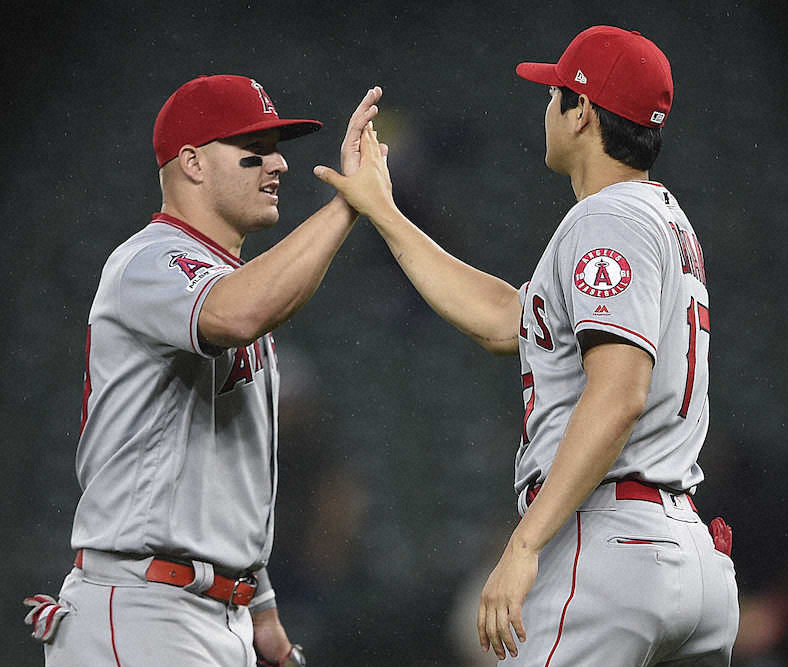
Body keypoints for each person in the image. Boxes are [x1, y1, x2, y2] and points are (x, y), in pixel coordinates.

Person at [314, 26, 739, 666]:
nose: (545, 108)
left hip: (609, 544)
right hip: (687, 553)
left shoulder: (607, 217)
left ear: (583, 113)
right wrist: (386, 213)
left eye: (555, 95)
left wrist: (525, 545)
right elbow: (505, 321)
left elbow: (619, 394)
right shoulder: (663, 218)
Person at [22, 75, 384, 667]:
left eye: (278, 148)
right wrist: (349, 203)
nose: (279, 165)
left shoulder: (229, 281)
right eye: (255, 149)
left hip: (210, 613)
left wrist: (259, 604)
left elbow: (226, 472)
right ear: (191, 162)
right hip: (144, 608)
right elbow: (238, 313)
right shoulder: (150, 261)